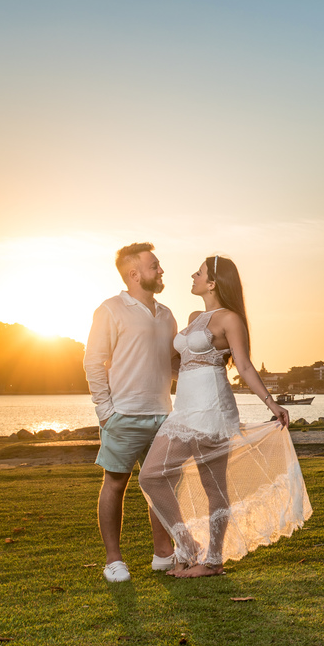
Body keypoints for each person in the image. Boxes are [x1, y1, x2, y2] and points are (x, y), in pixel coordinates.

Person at [139, 255, 312, 578]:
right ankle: (188, 546)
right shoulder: (193, 317)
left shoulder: (230, 319)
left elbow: (244, 366)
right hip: (185, 409)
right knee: (150, 476)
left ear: (213, 282)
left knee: (213, 485)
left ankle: (213, 561)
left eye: (200, 272)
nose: (193, 275)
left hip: (213, 408)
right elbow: (181, 364)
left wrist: (271, 404)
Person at [84, 242, 179, 583]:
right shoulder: (110, 310)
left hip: (163, 416)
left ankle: (163, 553)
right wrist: (106, 412)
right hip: (123, 415)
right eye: (155, 265)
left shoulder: (167, 314)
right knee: (115, 483)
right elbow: (93, 362)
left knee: (160, 485)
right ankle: (113, 561)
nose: (162, 270)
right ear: (135, 274)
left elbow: (171, 363)